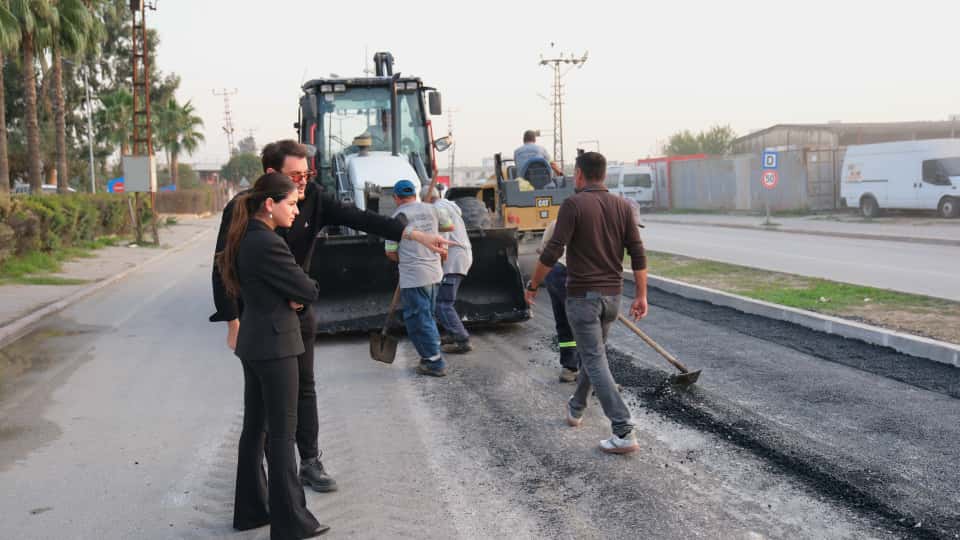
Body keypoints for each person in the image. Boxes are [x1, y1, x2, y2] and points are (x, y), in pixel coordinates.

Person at [211, 140, 452, 492]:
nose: (304, 182)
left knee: (304, 387)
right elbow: (222, 265)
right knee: (264, 401)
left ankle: (309, 461)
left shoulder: (315, 198)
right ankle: (266, 478)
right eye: (296, 175)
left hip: (298, 313)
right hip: (260, 318)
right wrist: (232, 320)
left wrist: (413, 235)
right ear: (272, 174)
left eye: (307, 173)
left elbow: (361, 218)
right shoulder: (242, 208)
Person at [216, 172, 328, 538]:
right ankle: (290, 522)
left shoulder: (244, 235)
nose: (296, 210)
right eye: (291, 203)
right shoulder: (268, 242)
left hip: (255, 342)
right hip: (276, 346)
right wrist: (296, 296)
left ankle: (252, 511)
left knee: (255, 429)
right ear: (269, 204)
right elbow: (308, 288)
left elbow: (277, 288)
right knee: (282, 434)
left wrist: (291, 295)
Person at [524, 151, 648, 455]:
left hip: (583, 298)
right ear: (603, 174)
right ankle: (576, 407)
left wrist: (533, 285)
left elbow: (553, 251)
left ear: (579, 174)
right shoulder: (622, 206)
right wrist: (642, 295)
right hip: (613, 297)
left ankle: (623, 430)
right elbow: (637, 252)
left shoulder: (573, 204)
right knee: (595, 356)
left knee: (594, 359)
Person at [384, 180, 452, 376]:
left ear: (396, 198)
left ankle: (434, 362)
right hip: (435, 273)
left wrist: (407, 258)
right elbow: (449, 226)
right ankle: (431, 354)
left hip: (414, 277)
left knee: (418, 321)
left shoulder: (396, 218)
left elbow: (390, 252)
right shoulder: (433, 208)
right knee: (427, 317)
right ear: (414, 194)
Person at [422, 184, 473, 354]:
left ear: (426, 199)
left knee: (442, 303)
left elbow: (441, 242)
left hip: (453, 260)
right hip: (460, 257)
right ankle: (452, 333)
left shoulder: (438, 210)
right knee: (442, 301)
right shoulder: (448, 206)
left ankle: (462, 340)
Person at [538, 220, 578, 382]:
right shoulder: (593, 217)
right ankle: (596, 376)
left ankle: (569, 367)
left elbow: (544, 249)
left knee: (564, 322)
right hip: (573, 274)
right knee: (586, 326)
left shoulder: (557, 222)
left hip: (555, 272)